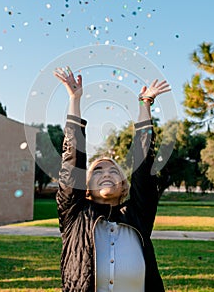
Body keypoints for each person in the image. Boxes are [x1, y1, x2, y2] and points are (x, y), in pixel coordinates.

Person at [53, 66, 171, 292]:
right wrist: (74, 100)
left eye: (114, 170)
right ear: (85, 186)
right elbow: (71, 162)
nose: (106, 173)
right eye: (97, 170)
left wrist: (144, 103)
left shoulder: (138, 215)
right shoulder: (74, 215)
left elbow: (143, 165)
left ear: (124, 186)